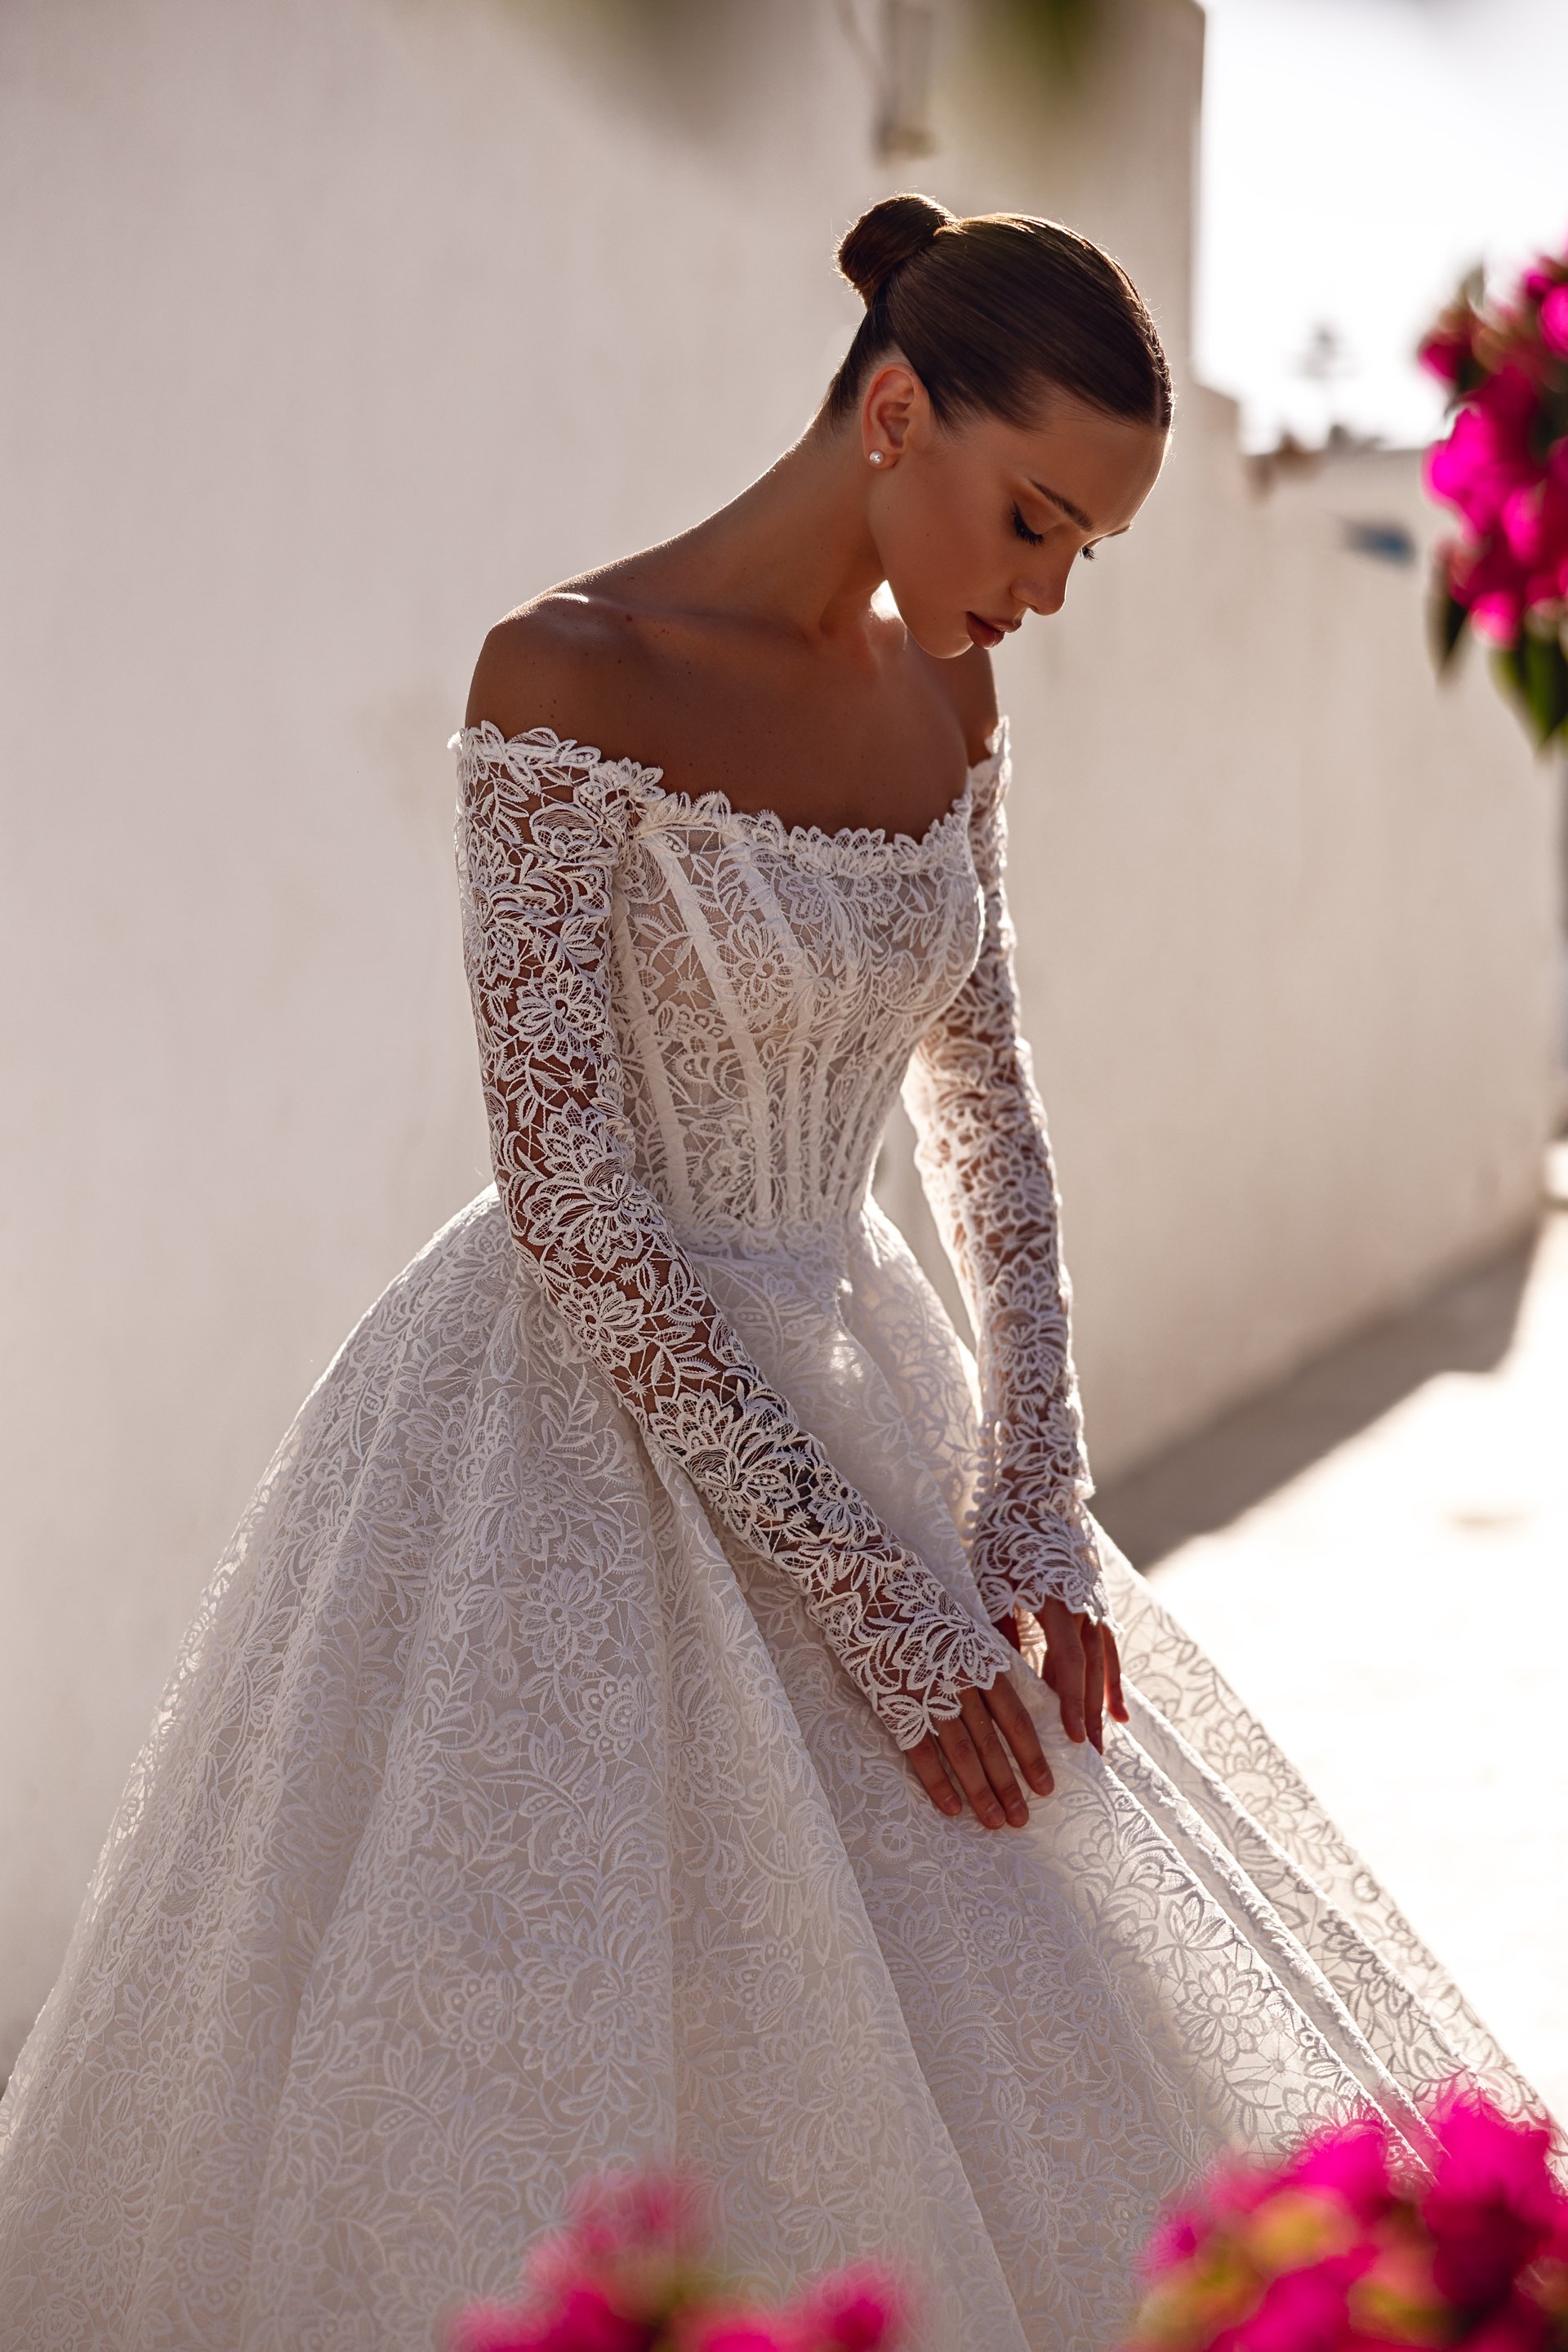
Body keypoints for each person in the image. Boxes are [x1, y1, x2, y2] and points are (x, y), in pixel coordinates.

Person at [0, 194, 1531, 2352]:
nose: (1047, 590)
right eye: (1035, 519)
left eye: (1084, 549)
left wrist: (1025, 1499)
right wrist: (871, 1599)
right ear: (893, 412)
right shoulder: (565, 675)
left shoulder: (956, 702)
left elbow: (986, 1109)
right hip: (562, 1422)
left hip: (871, 1376)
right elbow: (571, 1197)